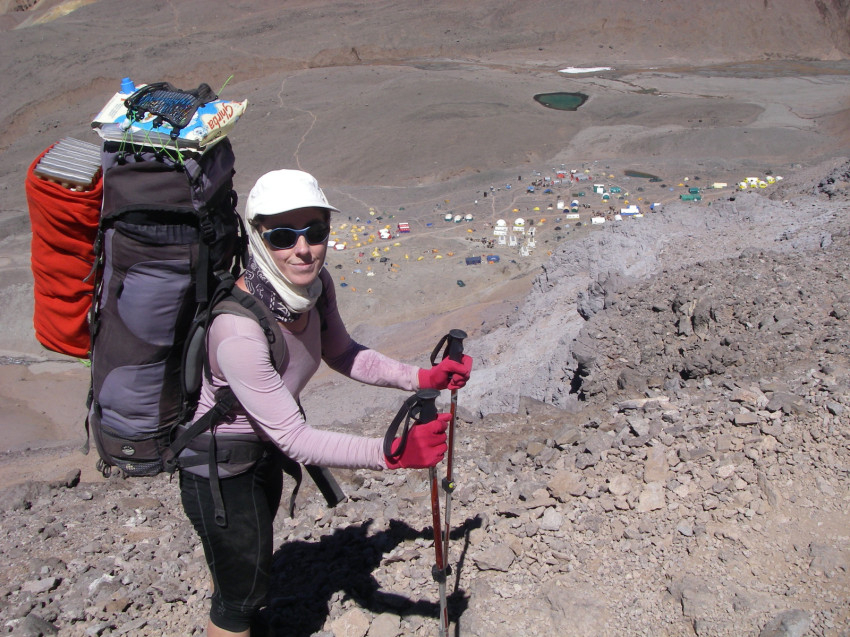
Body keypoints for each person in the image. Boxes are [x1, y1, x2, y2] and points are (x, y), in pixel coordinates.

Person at [178, 169, 473, 637]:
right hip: (218, 469)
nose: (304, 248)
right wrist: (393, 454)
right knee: (238, 600)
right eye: (282, 236)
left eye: (315, 232)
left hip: (261, 454)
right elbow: (295, 439)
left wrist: (421, 376)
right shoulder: (237, 330)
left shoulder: (313, 291)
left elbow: (342, 352)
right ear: (256, 239)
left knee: (251, 575)